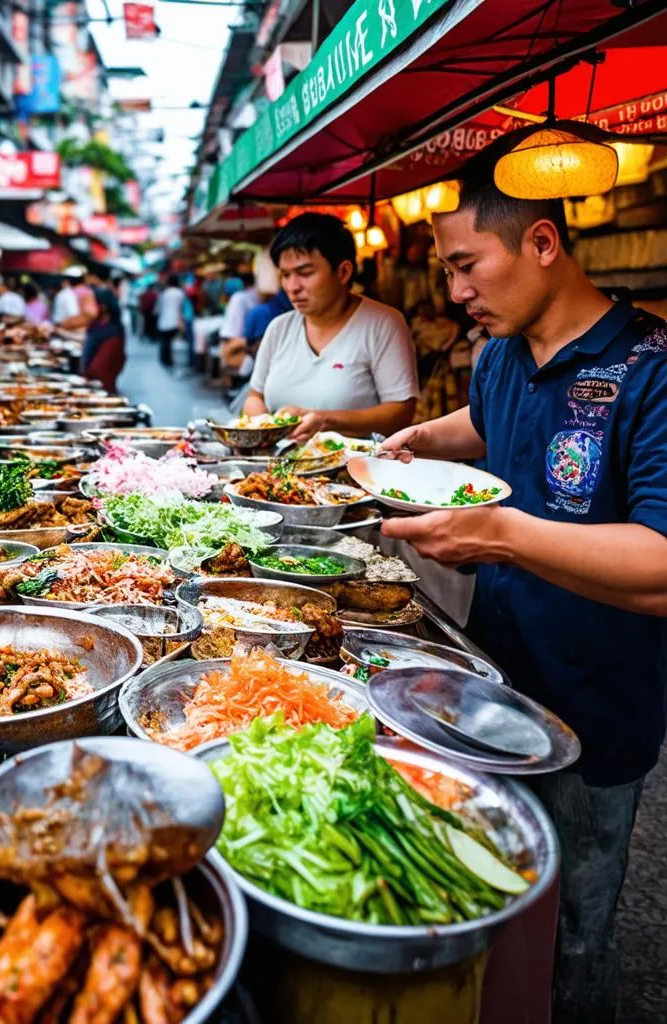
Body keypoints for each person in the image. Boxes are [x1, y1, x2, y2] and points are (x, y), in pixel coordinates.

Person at [379, 167, 667, 1024]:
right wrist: (418, 441)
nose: (459, 291)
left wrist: (498, 536)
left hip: (596, 704)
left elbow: (659, 562)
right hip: (490, 682)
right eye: (448, 275)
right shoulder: (500, 353)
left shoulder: (650, 370)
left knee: (574, 934)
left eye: (471, 266)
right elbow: (485, 423)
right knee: (488, 910)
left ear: (543, 243)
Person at [242, 213, 417, 442]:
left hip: (355, 470)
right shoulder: (279, 328)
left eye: (305, 273)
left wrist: (326, 420)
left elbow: (401, 412)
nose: (292, 287)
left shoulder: (383, 324)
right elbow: (254, 397)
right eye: (285, 275)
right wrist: (266, 429)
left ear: (343, 272)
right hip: (282, 468)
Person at [81, 287, 126, 394]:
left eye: (91, 303)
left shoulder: (111, 332)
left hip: (100, 389)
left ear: (103, 306)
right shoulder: (98, 324)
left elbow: (99, 369)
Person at [155, 273, 186, 368]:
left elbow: (159, 307)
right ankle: (170, 360)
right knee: (171, 342)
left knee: (164, 341)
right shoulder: (180, 293)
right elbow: (182, 307)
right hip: (175, 321)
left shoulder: (165, 292)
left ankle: (164, 359)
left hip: (164, 321)